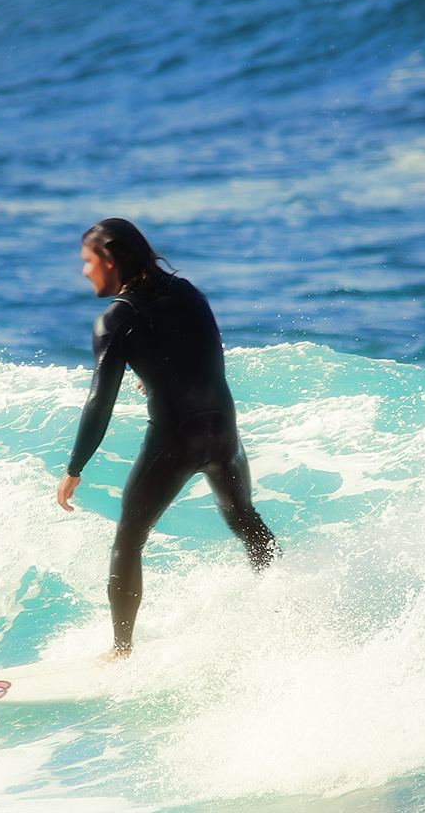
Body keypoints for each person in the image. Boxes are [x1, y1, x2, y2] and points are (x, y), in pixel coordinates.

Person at [57, 218, 276, 658]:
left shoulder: (115, 319)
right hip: (224, 432)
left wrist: (73, 469)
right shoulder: (187, 292)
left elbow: (100, 402)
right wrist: (158, 375)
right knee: (244, 520)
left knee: (130, 537)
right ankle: (289, 601)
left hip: (176, 440)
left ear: (110, 260)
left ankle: (121, 652)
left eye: (87, 261)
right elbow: (203, 352)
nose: (83, 272)